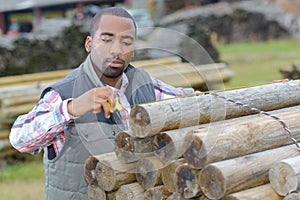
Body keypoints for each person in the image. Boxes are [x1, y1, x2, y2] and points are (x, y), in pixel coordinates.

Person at [9, 7, 194, 200]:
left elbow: (192, 102)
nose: (116, 50)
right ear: (89, 44)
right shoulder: (63, 93)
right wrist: (71, 109)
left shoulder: (147, 86)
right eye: (106, 40)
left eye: (126, 42)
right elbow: (19, 138)